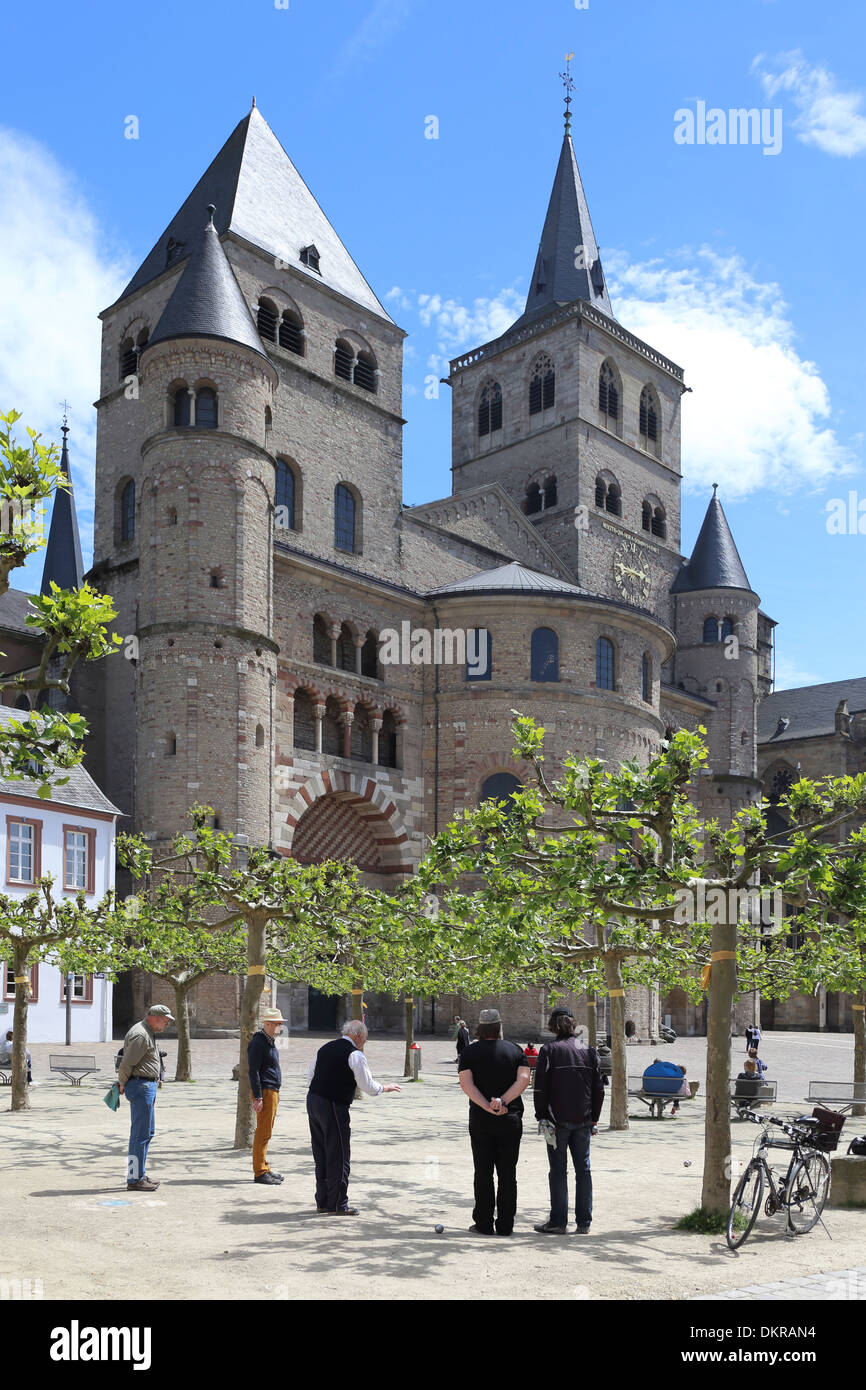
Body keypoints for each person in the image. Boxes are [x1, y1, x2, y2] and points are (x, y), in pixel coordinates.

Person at [306, 1019, 400, 1214]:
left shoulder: (325, 1048)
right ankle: (338, 1203)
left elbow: (310, 1076)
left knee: (321, 1153)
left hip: (313, 1100)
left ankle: (323, 1201)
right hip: (333, 1104)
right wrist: (385, 1088)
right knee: (339, 1155)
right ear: (358, 1036)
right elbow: (366, 1085)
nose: (364, 1043)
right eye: (364, 1039)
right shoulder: (355, 1054)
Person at [458, 1009, 531, 1237]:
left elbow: (466, 1085)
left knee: (483, 1171)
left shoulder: (469, 1053)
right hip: (510, 1117)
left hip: (481, 1119)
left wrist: (487, 1105)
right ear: (499, 1026)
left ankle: (484, 1222)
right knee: (508, 1173)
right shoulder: (515, 1050)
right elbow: (524, 1079)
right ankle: (506, 1224)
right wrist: (503, 1101)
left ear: (479, 1028)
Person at [532, 1006, 604, 1235]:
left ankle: (558, 1221)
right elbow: (598, 1088)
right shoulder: (589, 1050)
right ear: (573, 1024)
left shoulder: (549, 1050)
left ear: (553, 1026)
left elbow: (540, 1088)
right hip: (583, 1118)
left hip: (556, 1120)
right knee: (584, 1170)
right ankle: (584, 1222)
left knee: (558, 1171)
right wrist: (594, 1118)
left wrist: (541, 1115)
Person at [117, 1004, 173, 1192]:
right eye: (165, 1020)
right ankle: (134, 1178)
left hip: (146, 1086)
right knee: (139, 1135)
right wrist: (122, 1083)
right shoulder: (141, 1034)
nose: (167, 1024)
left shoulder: (146, 1032)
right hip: (140, 1086)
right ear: (155, 1017)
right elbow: (127, 1062)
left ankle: (139, 1173)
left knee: (146, 1133)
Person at [248, 1007, 286, 1186]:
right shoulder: (258, 1042)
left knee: (267, 1132)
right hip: (264, 1091)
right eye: (278, 1024)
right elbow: (253, 1071)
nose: (280, 1027)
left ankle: (264, 1166)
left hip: (272, 1090)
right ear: (268, 1024)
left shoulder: (269, 1041)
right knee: (263, 1132)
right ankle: (260, 1171)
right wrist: (258, 1096)